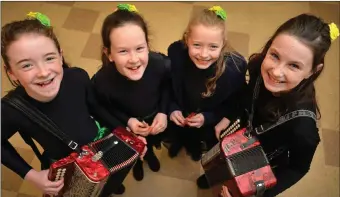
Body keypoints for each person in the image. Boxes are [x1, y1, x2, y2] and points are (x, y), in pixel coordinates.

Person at [1, 12, 142, 197]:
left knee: (108, 184)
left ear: (60, 56)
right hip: (68, 166)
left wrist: (124, 130)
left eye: (49, 58)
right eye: (26, 65)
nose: (43, 72)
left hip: (101, 146)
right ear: (11, 72)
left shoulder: (77, 77)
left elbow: (96, 108)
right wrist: (31, 175)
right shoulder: (12, 109)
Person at [214, 14, 340, 197]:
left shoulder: (303, 127)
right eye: (274, 55)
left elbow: (298, 169)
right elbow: (246, 95)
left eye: (294, 66)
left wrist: (258, 194)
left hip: (264, 161)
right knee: (219, 171)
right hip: (239, 138)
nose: (276, 72)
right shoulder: (257, 67)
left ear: (313, 71)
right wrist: (228, 116)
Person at [91, 4, 171, 182]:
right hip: (125, 122)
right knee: (132, 148)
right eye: (123, 51)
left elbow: (167, 86)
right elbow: (101, 107)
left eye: (140, 48)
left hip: (153, 117)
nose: (134, 59)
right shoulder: (102, 81)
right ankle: (137, 163)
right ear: (109, 53)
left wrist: (163, 112)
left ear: (147, 46)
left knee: (149, 143)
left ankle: (150, 155)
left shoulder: (161, 64)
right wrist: (127, 122)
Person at [167, 5, 247, 162]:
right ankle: (177, 143)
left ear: (223, 44)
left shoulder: (234, 69)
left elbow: (235, 102)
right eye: (197, 45)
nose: (204, 54)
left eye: (213, 47)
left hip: (207, 120)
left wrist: (208, 117)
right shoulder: (176, 53)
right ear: (187, 39)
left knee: (196, 140)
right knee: (177, 134)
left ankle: (194, 148)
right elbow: (168, 84)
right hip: (180, 112)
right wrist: (172, 108)